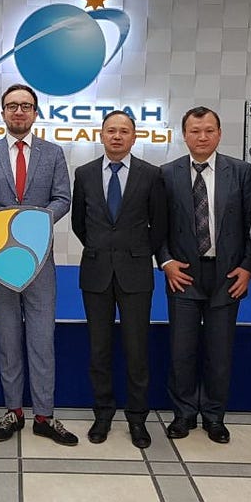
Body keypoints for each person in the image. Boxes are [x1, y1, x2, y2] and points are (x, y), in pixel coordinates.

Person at [0, 83, 76, 446]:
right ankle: (13, 411)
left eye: (25, 106)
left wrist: (33, 226)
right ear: (2, 112)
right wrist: (5, 228)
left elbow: (62, 198)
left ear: (35, 112)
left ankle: (44, 416)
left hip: (39, 260)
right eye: (12, 106)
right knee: (8, 338)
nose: (19, 111)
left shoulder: (53, 153)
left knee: (42, 339)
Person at [158, 107, 251, 444]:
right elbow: (158, 225)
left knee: (220, 351)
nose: (202, 137)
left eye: (209, 131)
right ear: (184, 135)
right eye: (195, 131)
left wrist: (248, 267)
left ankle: (215, 417)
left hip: (228, 273)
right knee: (181, 350)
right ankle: (184, 414)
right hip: (183, 274)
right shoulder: (167, 173)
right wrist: (166, 261)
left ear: (219, 133)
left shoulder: (241, 172)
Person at [71, 110, 167, 448]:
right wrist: (102, 248)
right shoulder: (84, 174)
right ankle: (103, 414)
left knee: (137, 350)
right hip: (95, 272)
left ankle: (137, 418)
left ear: (134, 137)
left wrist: (136, 252)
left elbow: (159, 224)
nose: (116, 136)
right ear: (101, 135)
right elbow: (79, 223)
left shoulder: (151, 174)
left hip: (136, 272)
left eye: (124, 131)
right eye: (111, 130)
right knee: (99, 350)